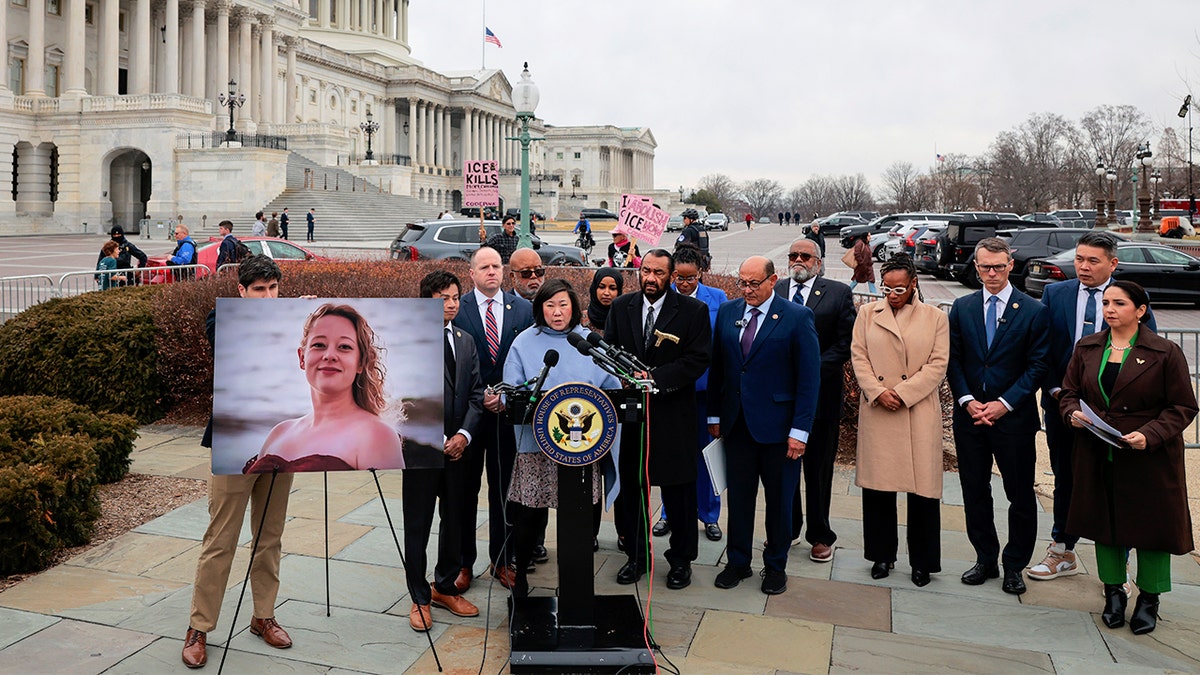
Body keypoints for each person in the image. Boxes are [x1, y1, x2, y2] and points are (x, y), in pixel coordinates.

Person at [1059, 280, 1197, 635]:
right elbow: (1069, 393)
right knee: (1105, 527)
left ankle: (1149, 599)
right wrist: (1072, 412)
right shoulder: (1087, 347)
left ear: (1139, 311)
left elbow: (1182, 405)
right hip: (1097, 452)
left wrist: (1149, 435)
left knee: (1152, 529)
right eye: (1106, 302)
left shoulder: (1165, 352)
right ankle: (1113, 593)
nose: (1108, 309)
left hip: (1149, 457)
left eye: (1118, 303)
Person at [184, 255, 295, 669]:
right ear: (242, 292)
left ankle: (263, 615)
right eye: (259, 290)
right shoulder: (223, 319)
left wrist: (305, 314)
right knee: (221, 539)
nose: (268, 297)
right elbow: (223, 335)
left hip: (282, 443)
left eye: (273, 288)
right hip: (235, 442)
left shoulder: (294, 319)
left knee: (269, 536)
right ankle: (199, 626)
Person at [1034, 231, 1156, 583]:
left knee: (1117, 483)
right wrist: (1057, 393)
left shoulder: (1130, 298)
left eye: (1093, 261)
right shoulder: (1055, 293)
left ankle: (1122, 562)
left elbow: (1148, 354)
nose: (1083, 267)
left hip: (1115, 415)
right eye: (1079, 259)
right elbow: (1042, 349)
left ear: (1113, 264)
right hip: (1063, 407)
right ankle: (1062, 549)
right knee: (1066, 478)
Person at [707, 255, 820, 596]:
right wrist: (715, 415)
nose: (747, 290)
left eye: (754, 283)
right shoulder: (729, 312)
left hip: (780, 431)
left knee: (779, 501)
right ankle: (738, 562)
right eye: (742, 282)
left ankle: (775, 566)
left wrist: (800, 431)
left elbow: (809, 380)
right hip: (737, 426)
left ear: (773, 281)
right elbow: (719, 368)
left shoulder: (797, 317)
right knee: (740, 499)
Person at [503, 279, 622, 596]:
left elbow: (613, 389)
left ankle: (579, 588)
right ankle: (522, 576)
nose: (557, 312)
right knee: (528, 513)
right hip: (535, 447)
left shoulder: (588, 342)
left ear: (574, 306)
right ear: (540, 308)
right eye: (550, 305)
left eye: (563, 304)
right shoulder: (524, 342)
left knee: (581, 517)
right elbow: (511, 394)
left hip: (582, 447)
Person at [947, 237, 1049, 596]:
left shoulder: (1033, 311)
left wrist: (1005, 403)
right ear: (975, 267)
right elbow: (954, 360)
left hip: (1013, 420)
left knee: (1019, 494)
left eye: (998, 267)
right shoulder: (961, 308)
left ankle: (1014, 565)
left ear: (1010, 265)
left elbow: (1038, 366)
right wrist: (966, 399)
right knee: (975, 491)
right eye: (984, 267)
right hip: (971, 417)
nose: (991, 273)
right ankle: (985, 558)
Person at [604, 249, 711, 590]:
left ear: (671, 276)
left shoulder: (693, 311)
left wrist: (655, 378)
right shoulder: (622, 307)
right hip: (632, 416)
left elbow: (698, 359)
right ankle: (637, 556)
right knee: (632, 489)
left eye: (659, 273)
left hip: (673, 415)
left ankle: (680, 561)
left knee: (679, 492)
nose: (651, 278)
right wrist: (624, 375)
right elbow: (608, 349)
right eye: (646, 270)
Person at [850, 254, 949, 587]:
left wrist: (903, 393)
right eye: (886, 288)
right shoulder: (866, 313)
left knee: (923, 492)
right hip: (878, 408)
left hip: (917, 411)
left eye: (899, 288)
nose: (892, 295)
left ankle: (922, 562)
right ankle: (881, 554)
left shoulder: (935, 318)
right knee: (879, 488)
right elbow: (858, 355)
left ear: (914, 284)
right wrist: (877, 391)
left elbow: (937, 365)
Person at [404, 270, 484, 632]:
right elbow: (403, 399)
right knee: (418, 524)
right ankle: (419, 597)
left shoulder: (466, 340)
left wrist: (464, 434)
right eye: (442, 298)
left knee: (455, 518)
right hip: (422, 450)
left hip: (458, 450)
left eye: (454, 298)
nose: (450, 304)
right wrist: (432, 437)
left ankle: (445, 586)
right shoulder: (412, 342)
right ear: (427, 300)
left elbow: (476, 393)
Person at [452, 247, 534, 589]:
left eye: (496, 266)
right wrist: (480, 395)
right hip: (469, 417)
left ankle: (503, 561)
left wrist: (507, 396)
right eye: (484, 267)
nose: (491, 272)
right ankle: (462, 564)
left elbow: (531, 361)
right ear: (471, 273)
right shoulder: (458, 309)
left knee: (505, 492)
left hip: (507, 416)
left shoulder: (525, 310)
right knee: (464, 492)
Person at [244, 303, 404, 472]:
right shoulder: (278, 433)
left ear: (360, 363)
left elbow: (385, 497)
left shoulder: (377, 435)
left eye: (344, 347)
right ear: (302, 358)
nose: (329, 356)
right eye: (319, 345)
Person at [774, 237, 854, 563]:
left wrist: (809, 370)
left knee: (818, 470)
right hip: (780, 399)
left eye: (805, 256)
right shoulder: (776, 289)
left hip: (822, 397)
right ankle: (788, 528)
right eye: (793, 254)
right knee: (784, 468)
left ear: (818, 262)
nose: (798, 260)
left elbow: (846, 342)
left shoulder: (837, 293)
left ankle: (820, 534)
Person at [654, 244, 727, 543]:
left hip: (703, 393)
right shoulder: (661, 300)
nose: (684, 284)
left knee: (706, 455)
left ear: (700, 274)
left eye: (690, 278)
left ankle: (709, 515)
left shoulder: (717, 299)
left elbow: (720, 349)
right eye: (679, 279)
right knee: (672, 455)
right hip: (671, 392)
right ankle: (668, 514)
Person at [585, 268, 624, 333]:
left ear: (619, 291)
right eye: (601, 287)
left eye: (612, 288)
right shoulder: (580, 321)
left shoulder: (626, 320)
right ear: (594, 289)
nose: (606, 293)